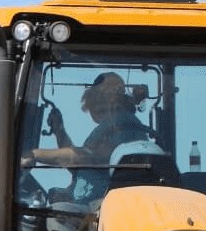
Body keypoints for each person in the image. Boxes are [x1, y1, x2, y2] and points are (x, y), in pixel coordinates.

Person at [28, 72, 154, 204]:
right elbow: (83, 165)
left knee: (54, 215)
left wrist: (35, 154)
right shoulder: (112, 125)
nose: (92, 107)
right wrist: (59, 131)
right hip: (92, 206)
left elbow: (83, 158)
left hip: (102, 207)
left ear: (110, 98)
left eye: (97, 98)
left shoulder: (122, 125)